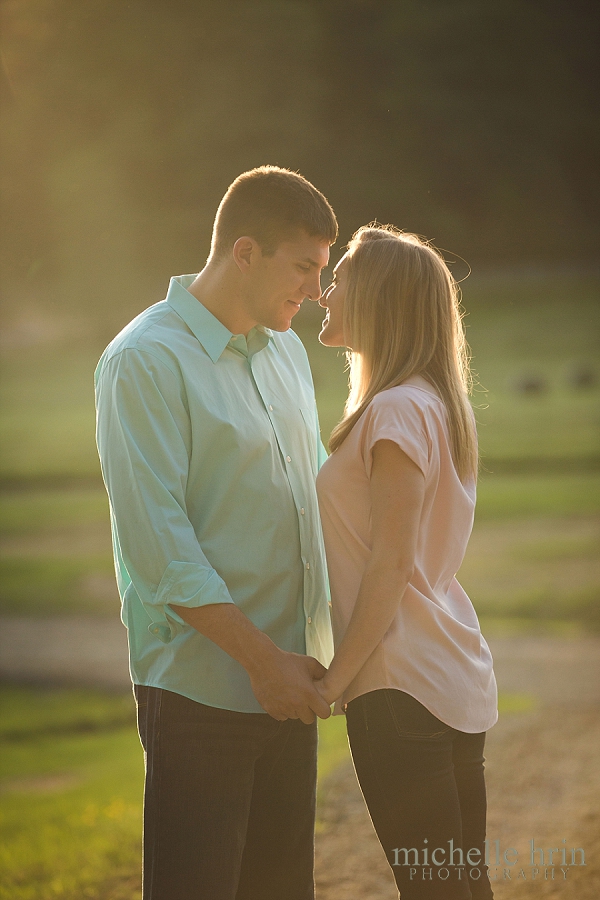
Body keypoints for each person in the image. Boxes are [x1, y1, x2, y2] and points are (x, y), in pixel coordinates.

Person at [94, 166, 338, 900]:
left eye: (322, 271)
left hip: (290, 684)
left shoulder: (287, 351)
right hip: (203, 693)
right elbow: (162, 552)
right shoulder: (143, 360)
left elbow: (316, 497)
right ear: (244, 252)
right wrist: (262, 662)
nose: (316, 291)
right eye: (304, 268)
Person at [314, 224, 498, 900]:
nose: (324, 293)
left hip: (398, 683)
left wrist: (335, 680)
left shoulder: (394, 411)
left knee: (436, 889)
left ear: (380, 301)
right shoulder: (430, 402)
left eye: (342, 281)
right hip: (445, 672)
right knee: (457, 883)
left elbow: (390, 564)